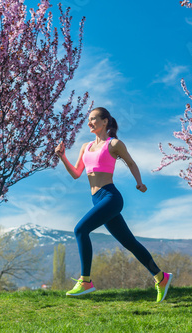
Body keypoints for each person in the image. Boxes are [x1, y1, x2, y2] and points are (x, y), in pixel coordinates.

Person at [55, 107, 172, 303]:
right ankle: (161, 277)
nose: (89, 123)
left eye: (93, 119)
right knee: (130, 243)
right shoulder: (86, 147)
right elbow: (76, 173)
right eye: (88, 120)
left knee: (80, 230)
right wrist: (62, 156)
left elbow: (131, 163)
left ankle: (85, 281)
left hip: (111, 197)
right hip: (97, 199)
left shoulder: (114, 144)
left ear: (105, 121)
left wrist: (139, 183)